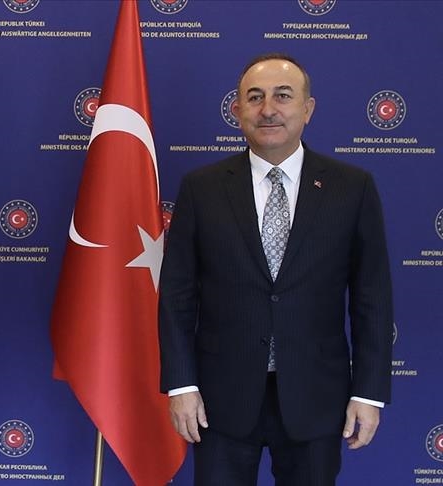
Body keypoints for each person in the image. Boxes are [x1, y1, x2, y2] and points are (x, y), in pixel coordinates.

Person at [158, 53, 393, 485]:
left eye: (283, 96)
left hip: (316, 396)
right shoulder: (201, 188)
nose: (268, 109)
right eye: (255, 97)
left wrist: (368, 391)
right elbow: (176, 296)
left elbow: (372, 298)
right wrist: (181, 386)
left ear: (308, 108)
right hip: (219, 399)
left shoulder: (352, 187)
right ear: (237, 110)